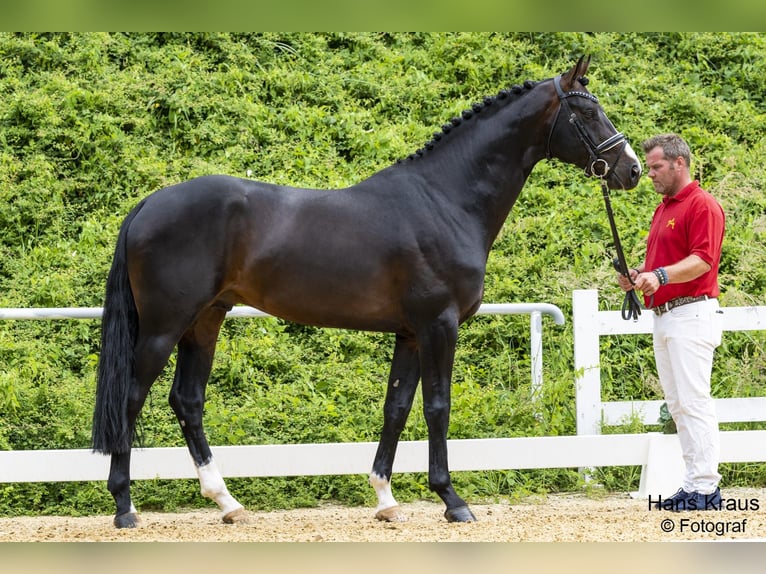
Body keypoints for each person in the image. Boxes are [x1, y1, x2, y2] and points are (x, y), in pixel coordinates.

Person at [616, 133, 725, 511]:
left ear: (679, 163)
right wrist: (639, 275)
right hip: (666, 316)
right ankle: (694, 483)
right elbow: (664, 264)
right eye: (649, 169)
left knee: (694, 403)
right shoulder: (664, 209)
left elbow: (703, 260)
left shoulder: (702, 205)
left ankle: (706, 487)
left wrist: (659, 276)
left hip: (691, 313)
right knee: (679, 405)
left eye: (656, 167)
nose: (650, 175)